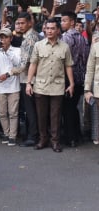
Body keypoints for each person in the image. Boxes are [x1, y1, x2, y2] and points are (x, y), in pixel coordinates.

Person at [26, 18, 74, 153]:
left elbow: (68, 65)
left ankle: (55, 141)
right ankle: (42, 139)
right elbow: (33, 64)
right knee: (41, 115)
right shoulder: (38, 45)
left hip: (58, 87)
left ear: (58, 30)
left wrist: (71, 83)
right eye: (47, 28)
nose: (50, 31)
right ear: (44, 29)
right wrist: (28, 83)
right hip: (40, 86)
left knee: (56, 116)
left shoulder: (64, 46)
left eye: (53, 28)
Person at [7, 12, 40, 147]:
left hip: (29, 79)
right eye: (18, 23)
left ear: (29, 23)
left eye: (22, 23)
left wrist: (9, 73)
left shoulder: (30, 38)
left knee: (30, 109)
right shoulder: (27, 36)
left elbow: (24, 64)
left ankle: (33, 136)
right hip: (28, 78)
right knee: (30, 109)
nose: (19, 26)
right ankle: (32, 134)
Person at [60, 11, 89, 147]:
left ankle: (70, 137)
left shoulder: (66, 37)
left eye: (64, 20)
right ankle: (77, 135)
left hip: (68, 76)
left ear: (72, 22)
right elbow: (86, 58)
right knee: (73, 107)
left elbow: (63, 60)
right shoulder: (83, 38)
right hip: (80, 77)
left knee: (67, 108)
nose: (62, 23)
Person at [0, 28, 21, 146]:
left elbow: (18, 63)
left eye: (5, 37)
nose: (3, 40)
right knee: (2, 113)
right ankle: (6, 134)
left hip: (14, 87)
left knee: (13, 113)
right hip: (0, 87)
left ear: (10, 38)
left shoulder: (17, 50)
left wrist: (7, 50)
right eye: (1, 37)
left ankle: (13, 136)